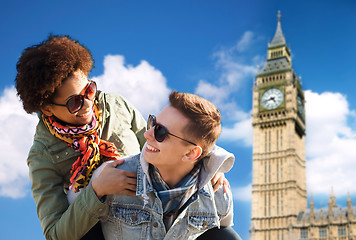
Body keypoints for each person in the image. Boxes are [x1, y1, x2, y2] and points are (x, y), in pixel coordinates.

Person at [15, 35, 231, 240]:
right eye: (75, 102)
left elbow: (163, 142)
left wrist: (208, 165)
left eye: (89, 90)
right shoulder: (42, 156)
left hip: (153, 212)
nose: (89, 104)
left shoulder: (116, 106)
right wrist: (97, 191)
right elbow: (56, 234)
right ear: (47, 108)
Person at [84, 91, 241, 239]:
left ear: (191, 154)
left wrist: (214, 168)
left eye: (160, 132)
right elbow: (74, 227)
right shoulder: (112, 177)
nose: (147, 134)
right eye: (153, 122)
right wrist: (96, 190)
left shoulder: (218, 193)